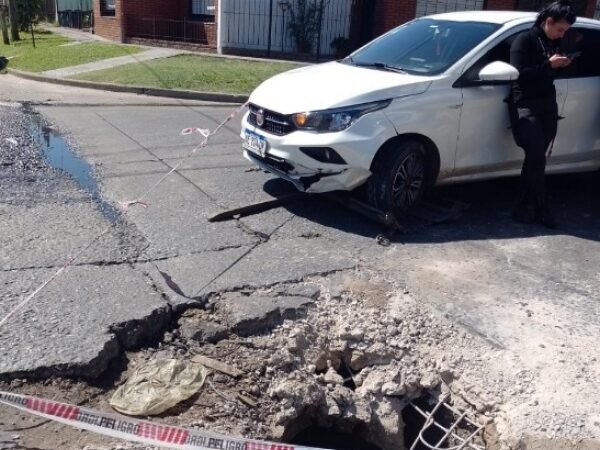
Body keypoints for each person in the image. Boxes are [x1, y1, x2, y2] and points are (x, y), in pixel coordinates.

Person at [509, 0, 576, 228]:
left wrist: (564, 64)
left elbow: (548, 73)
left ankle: (526, 206)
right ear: (548, 21)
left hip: (548, 104)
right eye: (559, 29)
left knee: (537, 159)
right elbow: (519, 74)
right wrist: (548, 65)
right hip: (525, 103)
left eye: (565, 31)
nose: (561, 35)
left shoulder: (552, 41)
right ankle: (539, 208)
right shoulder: (525, 40)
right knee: (536, 156)